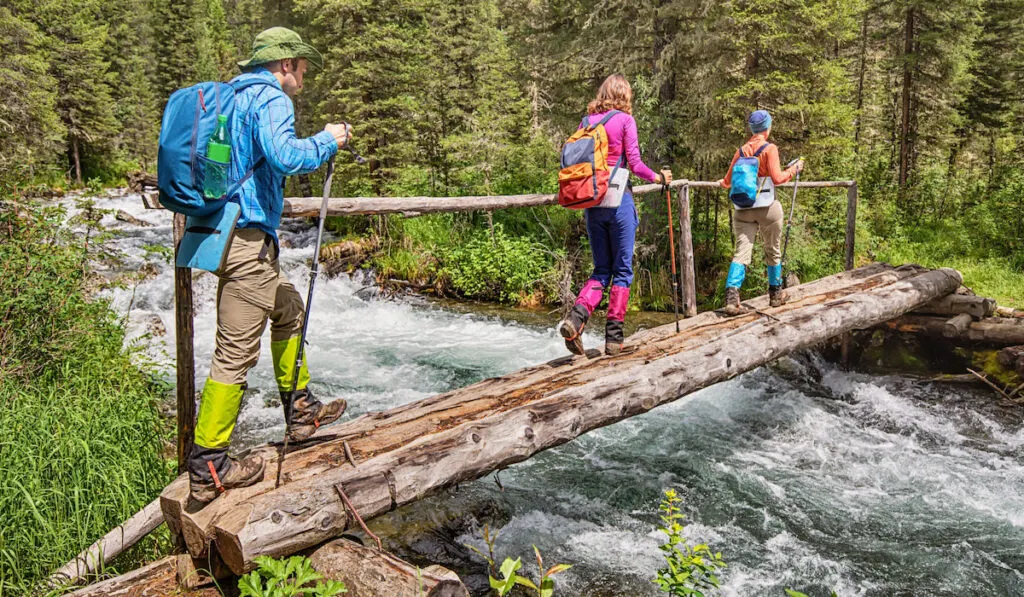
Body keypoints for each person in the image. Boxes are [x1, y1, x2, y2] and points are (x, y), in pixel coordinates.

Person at [188, 27, 353, 504]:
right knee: (235, 353)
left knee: (288, 308)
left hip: (226, 234)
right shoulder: (271, 98)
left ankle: (300, 410)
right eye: (301, 66)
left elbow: (219, 171)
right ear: (285, 65)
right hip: (247, 243)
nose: (304, 75)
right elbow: (285, 157)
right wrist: (327, 140)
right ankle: (209, 465)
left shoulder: (230, 100)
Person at [558, 74, 672, 357]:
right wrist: (659, 177)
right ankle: (614, 340)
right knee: (622, 270)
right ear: (625, 96)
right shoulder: (625, 121)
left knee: (601, 270)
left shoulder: (586, 123)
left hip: (592, 202)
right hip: (619, 201)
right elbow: (634, 163)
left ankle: (575, 319)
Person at [717, 109, 804, 316]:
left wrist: (721, 183)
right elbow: (778, 178)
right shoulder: (769, 149)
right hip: (767, 209)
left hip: (742, 210)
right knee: (772, 250)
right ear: (767, 128)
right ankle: (775, 295)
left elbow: (727, 182)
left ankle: (731, 298)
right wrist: (795, 169)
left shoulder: (740, 151)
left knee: (741, 253)